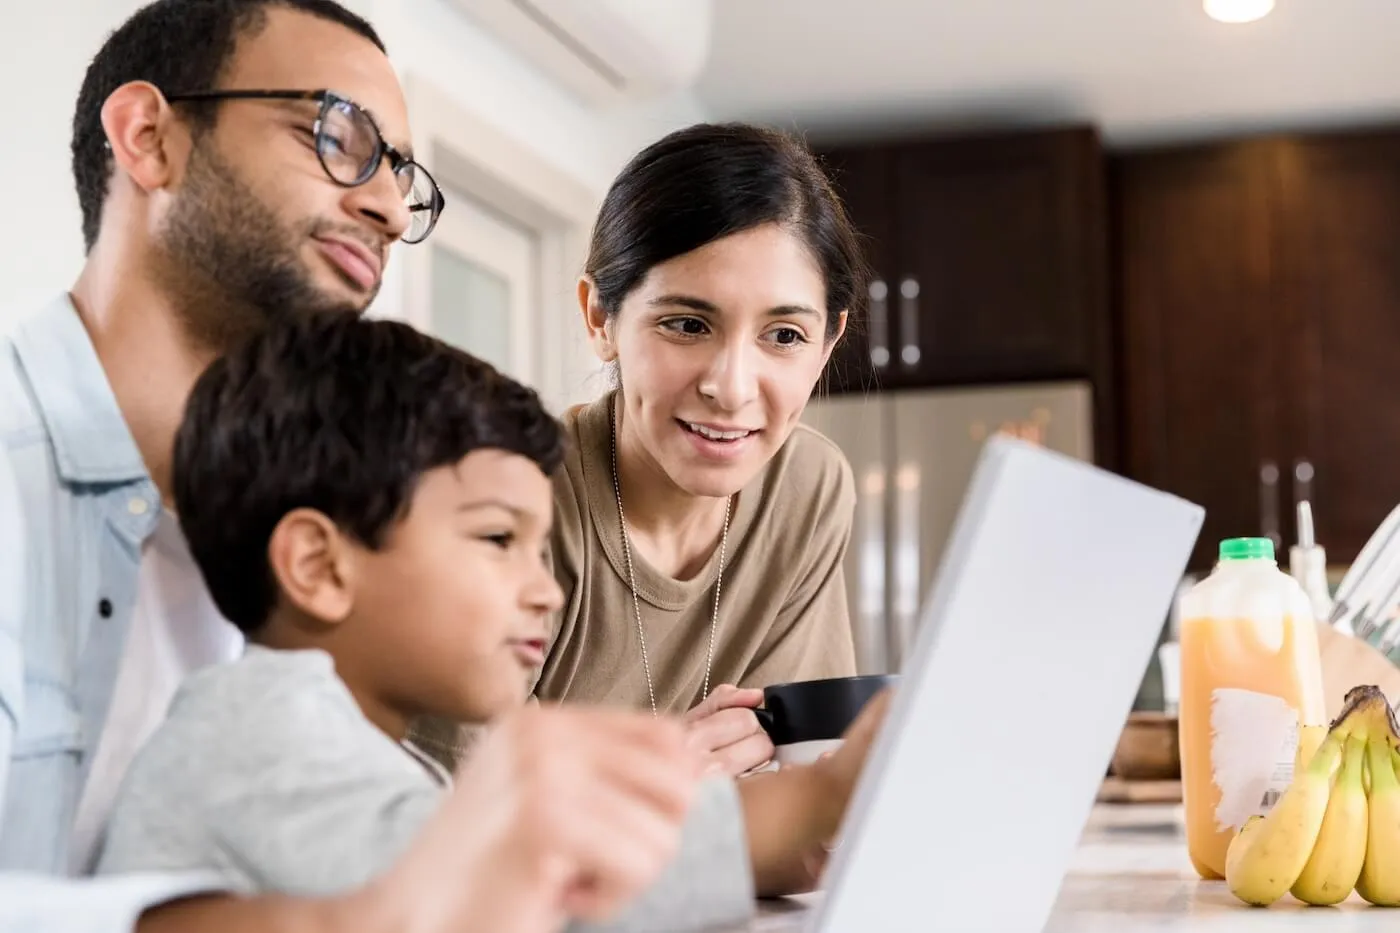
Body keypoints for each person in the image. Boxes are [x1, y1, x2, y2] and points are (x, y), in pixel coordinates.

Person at [0, 1, 712, 930]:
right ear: (149, 137)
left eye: (401, 173)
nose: (384, 204)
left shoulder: (295, 507)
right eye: (335, 135)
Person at [92, 311, 889, 933]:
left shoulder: (349, 743)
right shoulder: (258, 737)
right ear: (319, 566)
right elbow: (493, 865)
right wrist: (817, 796)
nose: (544, 590)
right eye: (498, 539)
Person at [416, 123, 871, 779]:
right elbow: (435, 826)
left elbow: (798, 791)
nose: (731, 388)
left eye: (785, 334)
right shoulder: (512, 502)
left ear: (829, 342)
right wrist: (653, 777)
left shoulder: (808, 486)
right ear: (600, 317)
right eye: (687, 324)